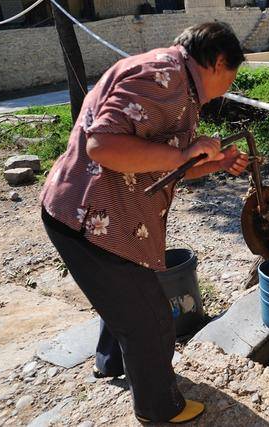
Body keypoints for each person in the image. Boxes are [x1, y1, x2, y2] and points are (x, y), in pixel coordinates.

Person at [39, 22, 248, 424]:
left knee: (123, 302)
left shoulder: (177, 82)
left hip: (107, 222)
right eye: (234, 72)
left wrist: (213, 163)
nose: (232, 81)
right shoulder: (162, 77)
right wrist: (183, 156)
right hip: (91, 221)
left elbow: (163, 163)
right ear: (220, 61)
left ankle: (110, 363)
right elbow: (102, 145)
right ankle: (159, 408)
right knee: (151, 320)